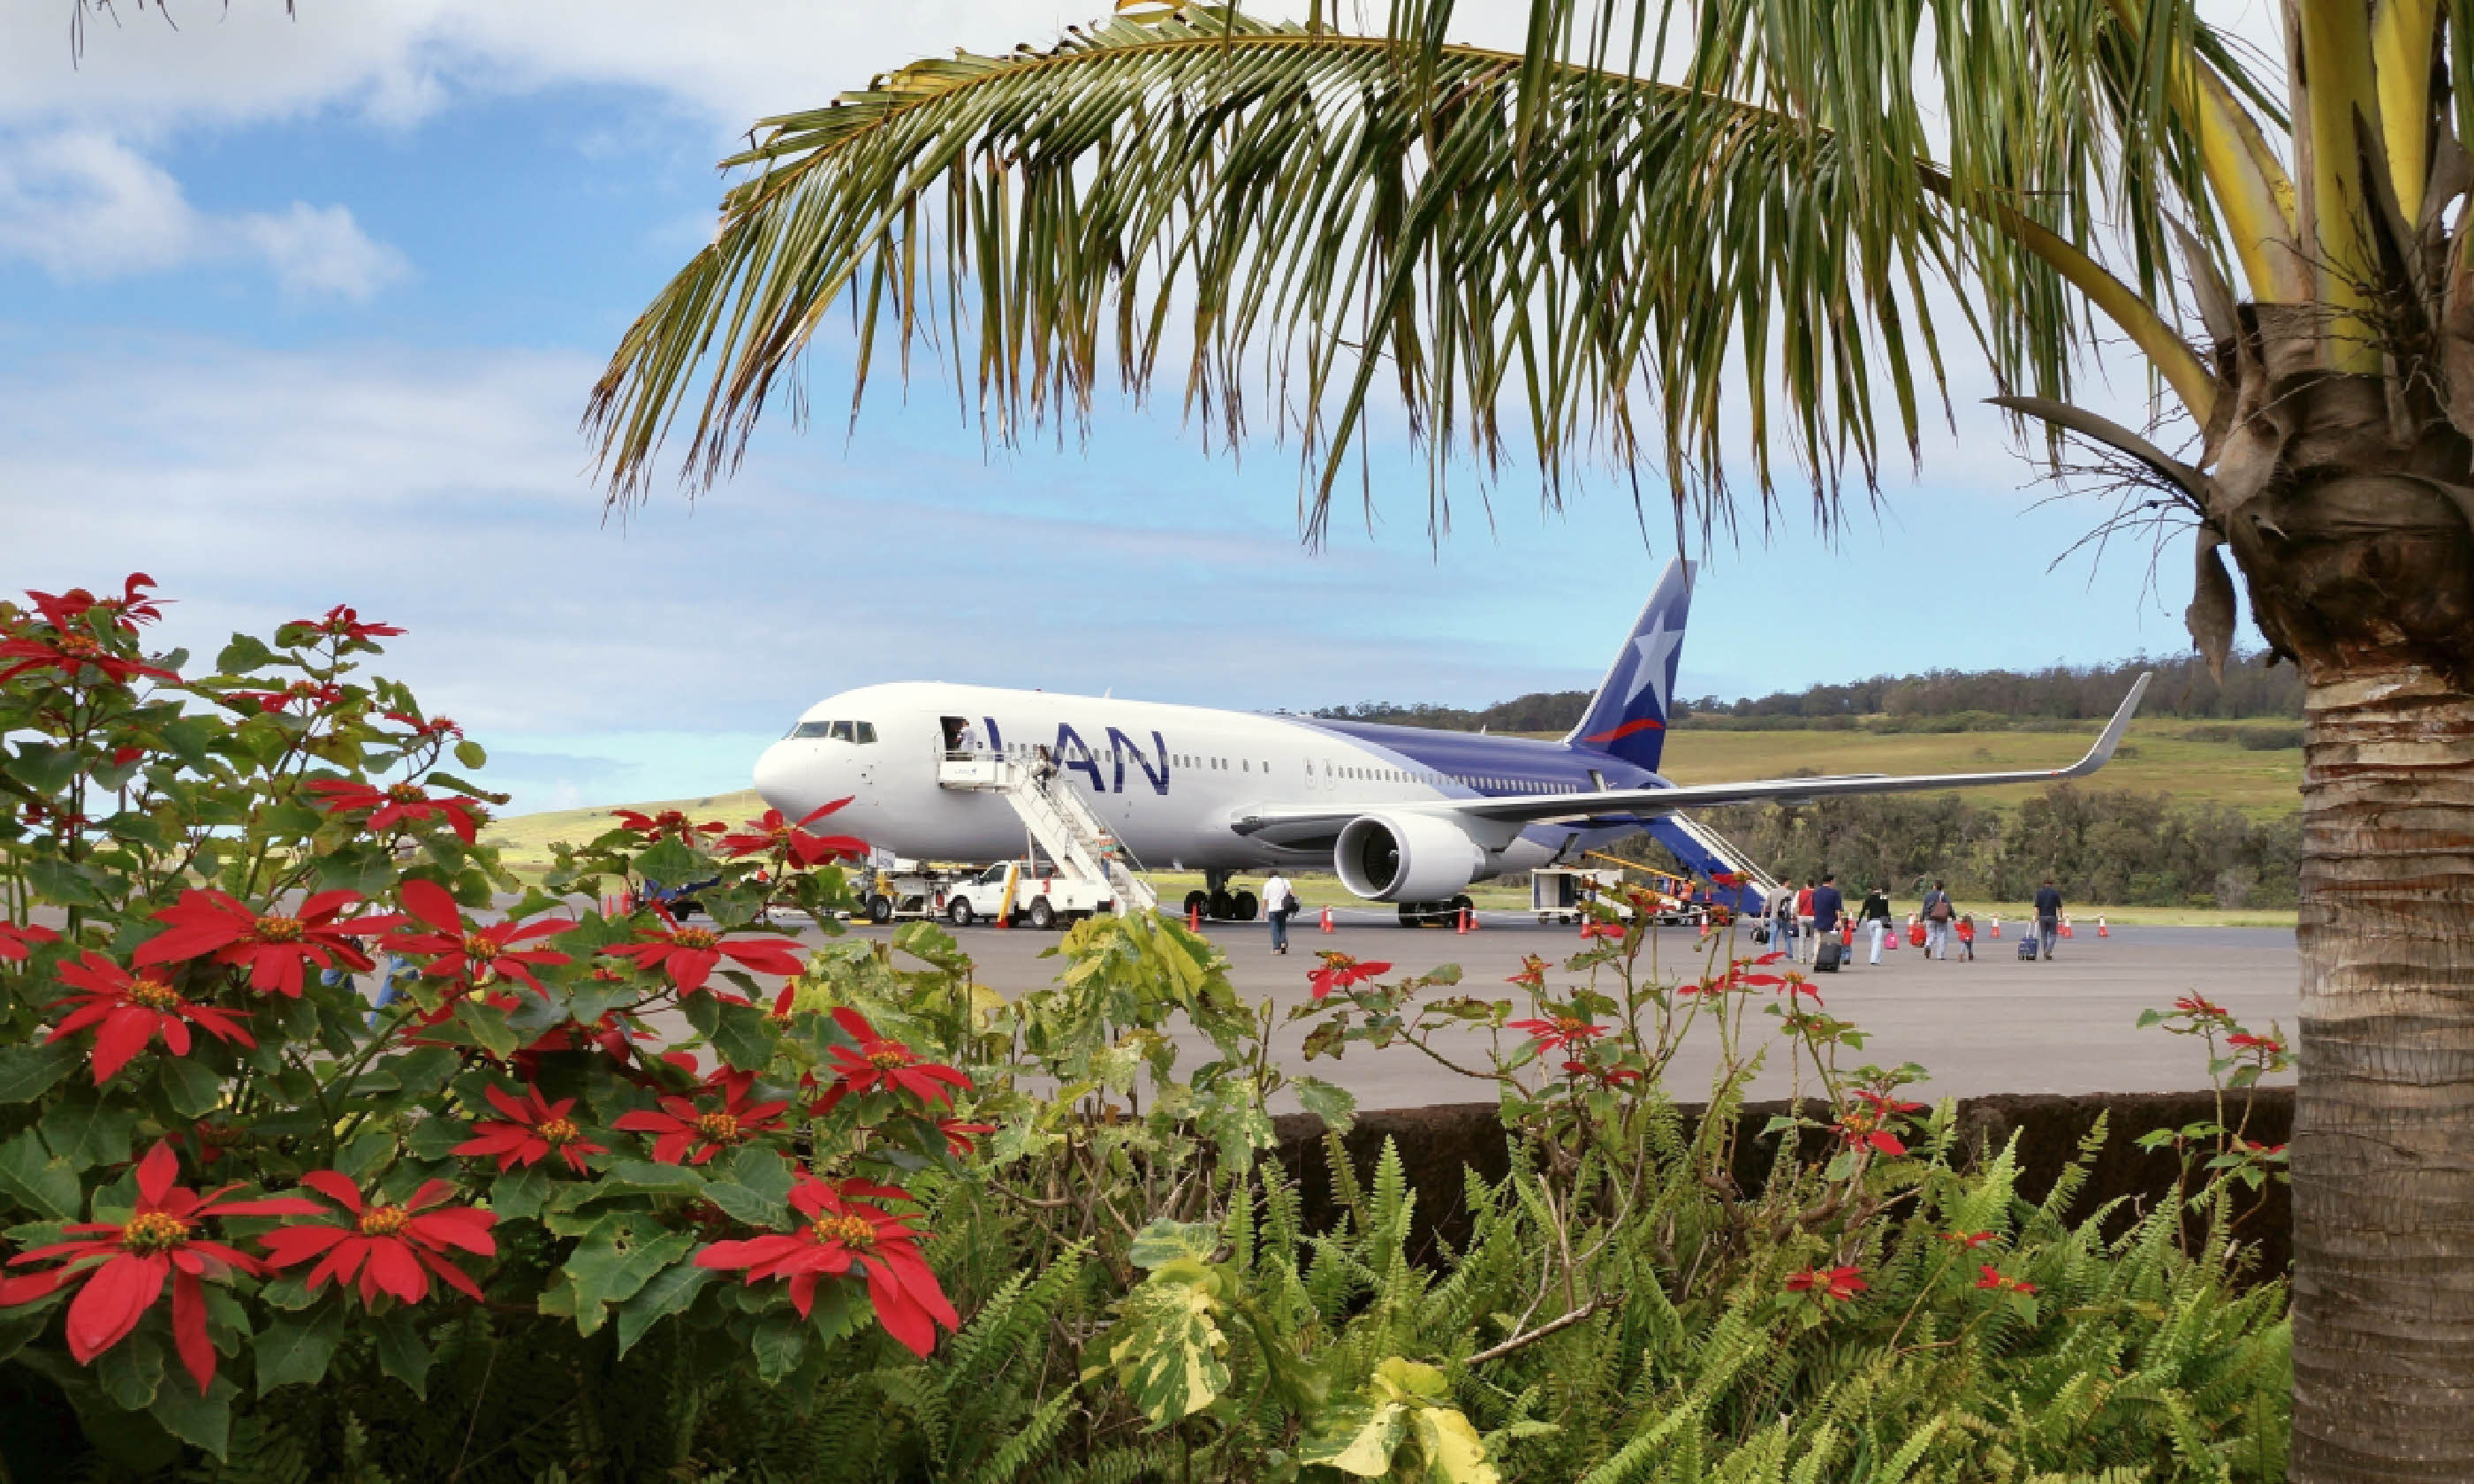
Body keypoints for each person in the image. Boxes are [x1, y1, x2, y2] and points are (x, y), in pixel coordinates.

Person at [1810, 873, 1844, 964]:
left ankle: (1815, 959)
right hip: (1830, 922)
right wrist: (1839, 920)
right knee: (1829, 942)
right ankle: (1827, 959)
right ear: (1831, 882)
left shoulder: (1816, 893)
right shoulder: (1835, 893)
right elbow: (1838, 909)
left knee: (1817, 941)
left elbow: (1813, 907)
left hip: (1818, 920)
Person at [1263, 869, 1298, 955]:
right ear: (1278, 875)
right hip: (1283, 908)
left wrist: (1262, 911)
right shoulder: (1285, 881)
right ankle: (1283, 944)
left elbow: (1265, 900)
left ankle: (1276, 949)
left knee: (1274, 929)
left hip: (1272, 909)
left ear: (1269, 876)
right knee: (1282, 927)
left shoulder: (1267, 884)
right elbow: (1292, 893)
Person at [1921, 879, 1957, 961]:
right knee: (1942, 935)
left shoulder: (1928, 895)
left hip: (1930, 917)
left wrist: (1922, 919)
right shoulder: (1944, 895)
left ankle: (1928, 945)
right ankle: (1940, 955)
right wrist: (1953, 917)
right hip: (1942, 918)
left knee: (1931, 934)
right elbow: (1949, 907)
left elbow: (1924, 908)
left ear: (1935, 886)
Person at [1859, 882, 1893, 965]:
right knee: (1878, 941)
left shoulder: (1868, 899)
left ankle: (1877, 958)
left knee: (1874, 940)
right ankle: (1874, 960)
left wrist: (1859, 921)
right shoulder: (1883, 898)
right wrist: (1889, 922)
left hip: (1870, 921)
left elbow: (1863, 910)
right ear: (1880, 891)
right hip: (1879, 921)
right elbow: (1886, 911)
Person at [2033, 877, 2064, 960]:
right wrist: (2061, 917)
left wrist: (2035, 917)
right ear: (2051, 884)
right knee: (2053, 935)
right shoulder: (2055, 893)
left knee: (2044, 936)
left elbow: (2036, 907)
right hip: (2052, 917)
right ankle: (2048, 950)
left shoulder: (2039, 893)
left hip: (2042, 917)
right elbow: (2060, 907)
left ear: (2044, 884)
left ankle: (2045, 953)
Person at [1768, 882, 1798, 955]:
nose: (1790, 884)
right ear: (1786, 883)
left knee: (1773, 937)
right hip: (1785, 917)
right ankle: (1789, 954)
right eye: (1789, 882)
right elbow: (1790, 905)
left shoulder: (1773, 891)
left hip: (1774, 916)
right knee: (1787, 936)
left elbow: (1768, 904)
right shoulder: (1790, 892)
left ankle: (1772, 954)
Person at [1795, 878, 1818, 963]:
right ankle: (1814, 958)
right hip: (1813, 917)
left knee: (1802, 938)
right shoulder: (1817, 893)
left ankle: (1802, 958)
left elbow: (1798, 905)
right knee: (1814, 939)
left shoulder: (1800, 892)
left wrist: (1798, 915)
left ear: (1807, 885)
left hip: (1803, 916)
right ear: (1813, 885)